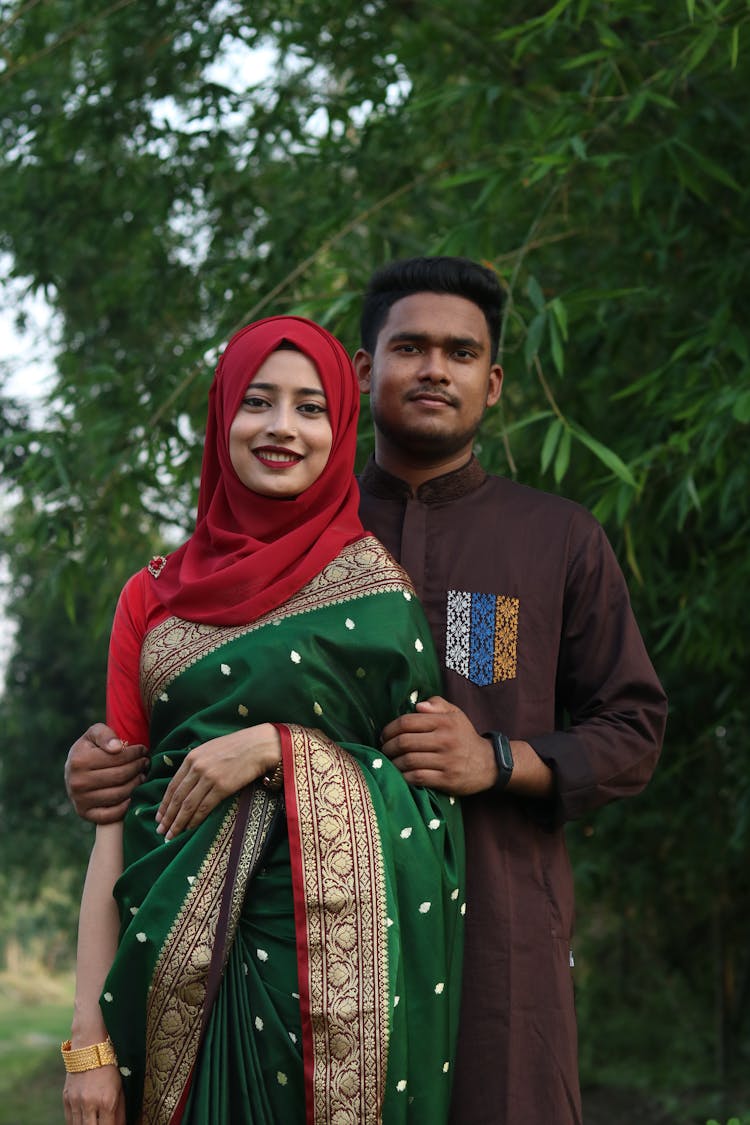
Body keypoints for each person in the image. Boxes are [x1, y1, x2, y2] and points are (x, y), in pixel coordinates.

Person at [66, 258, 668, 1125]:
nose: (434, 368)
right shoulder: (295, 515)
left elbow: (634, 729)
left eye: (460, 353)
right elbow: (178, 715)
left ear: (493, 383)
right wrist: (99, 765)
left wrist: (500, 757)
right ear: (360, 370)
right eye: (410, 347)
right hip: (284, 945)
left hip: (496, 938)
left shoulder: (551, 539)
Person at [61, 315, 465, 1125]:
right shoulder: (152, 599)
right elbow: (114, 826)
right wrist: (87, 1046)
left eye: (311, 408)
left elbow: (431, 815)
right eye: (258, 402)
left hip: (343, 1017)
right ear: (222, 419)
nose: (282, 427)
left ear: (340, 428)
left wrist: (280, 750)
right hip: (165, 987)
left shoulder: (383, 599)